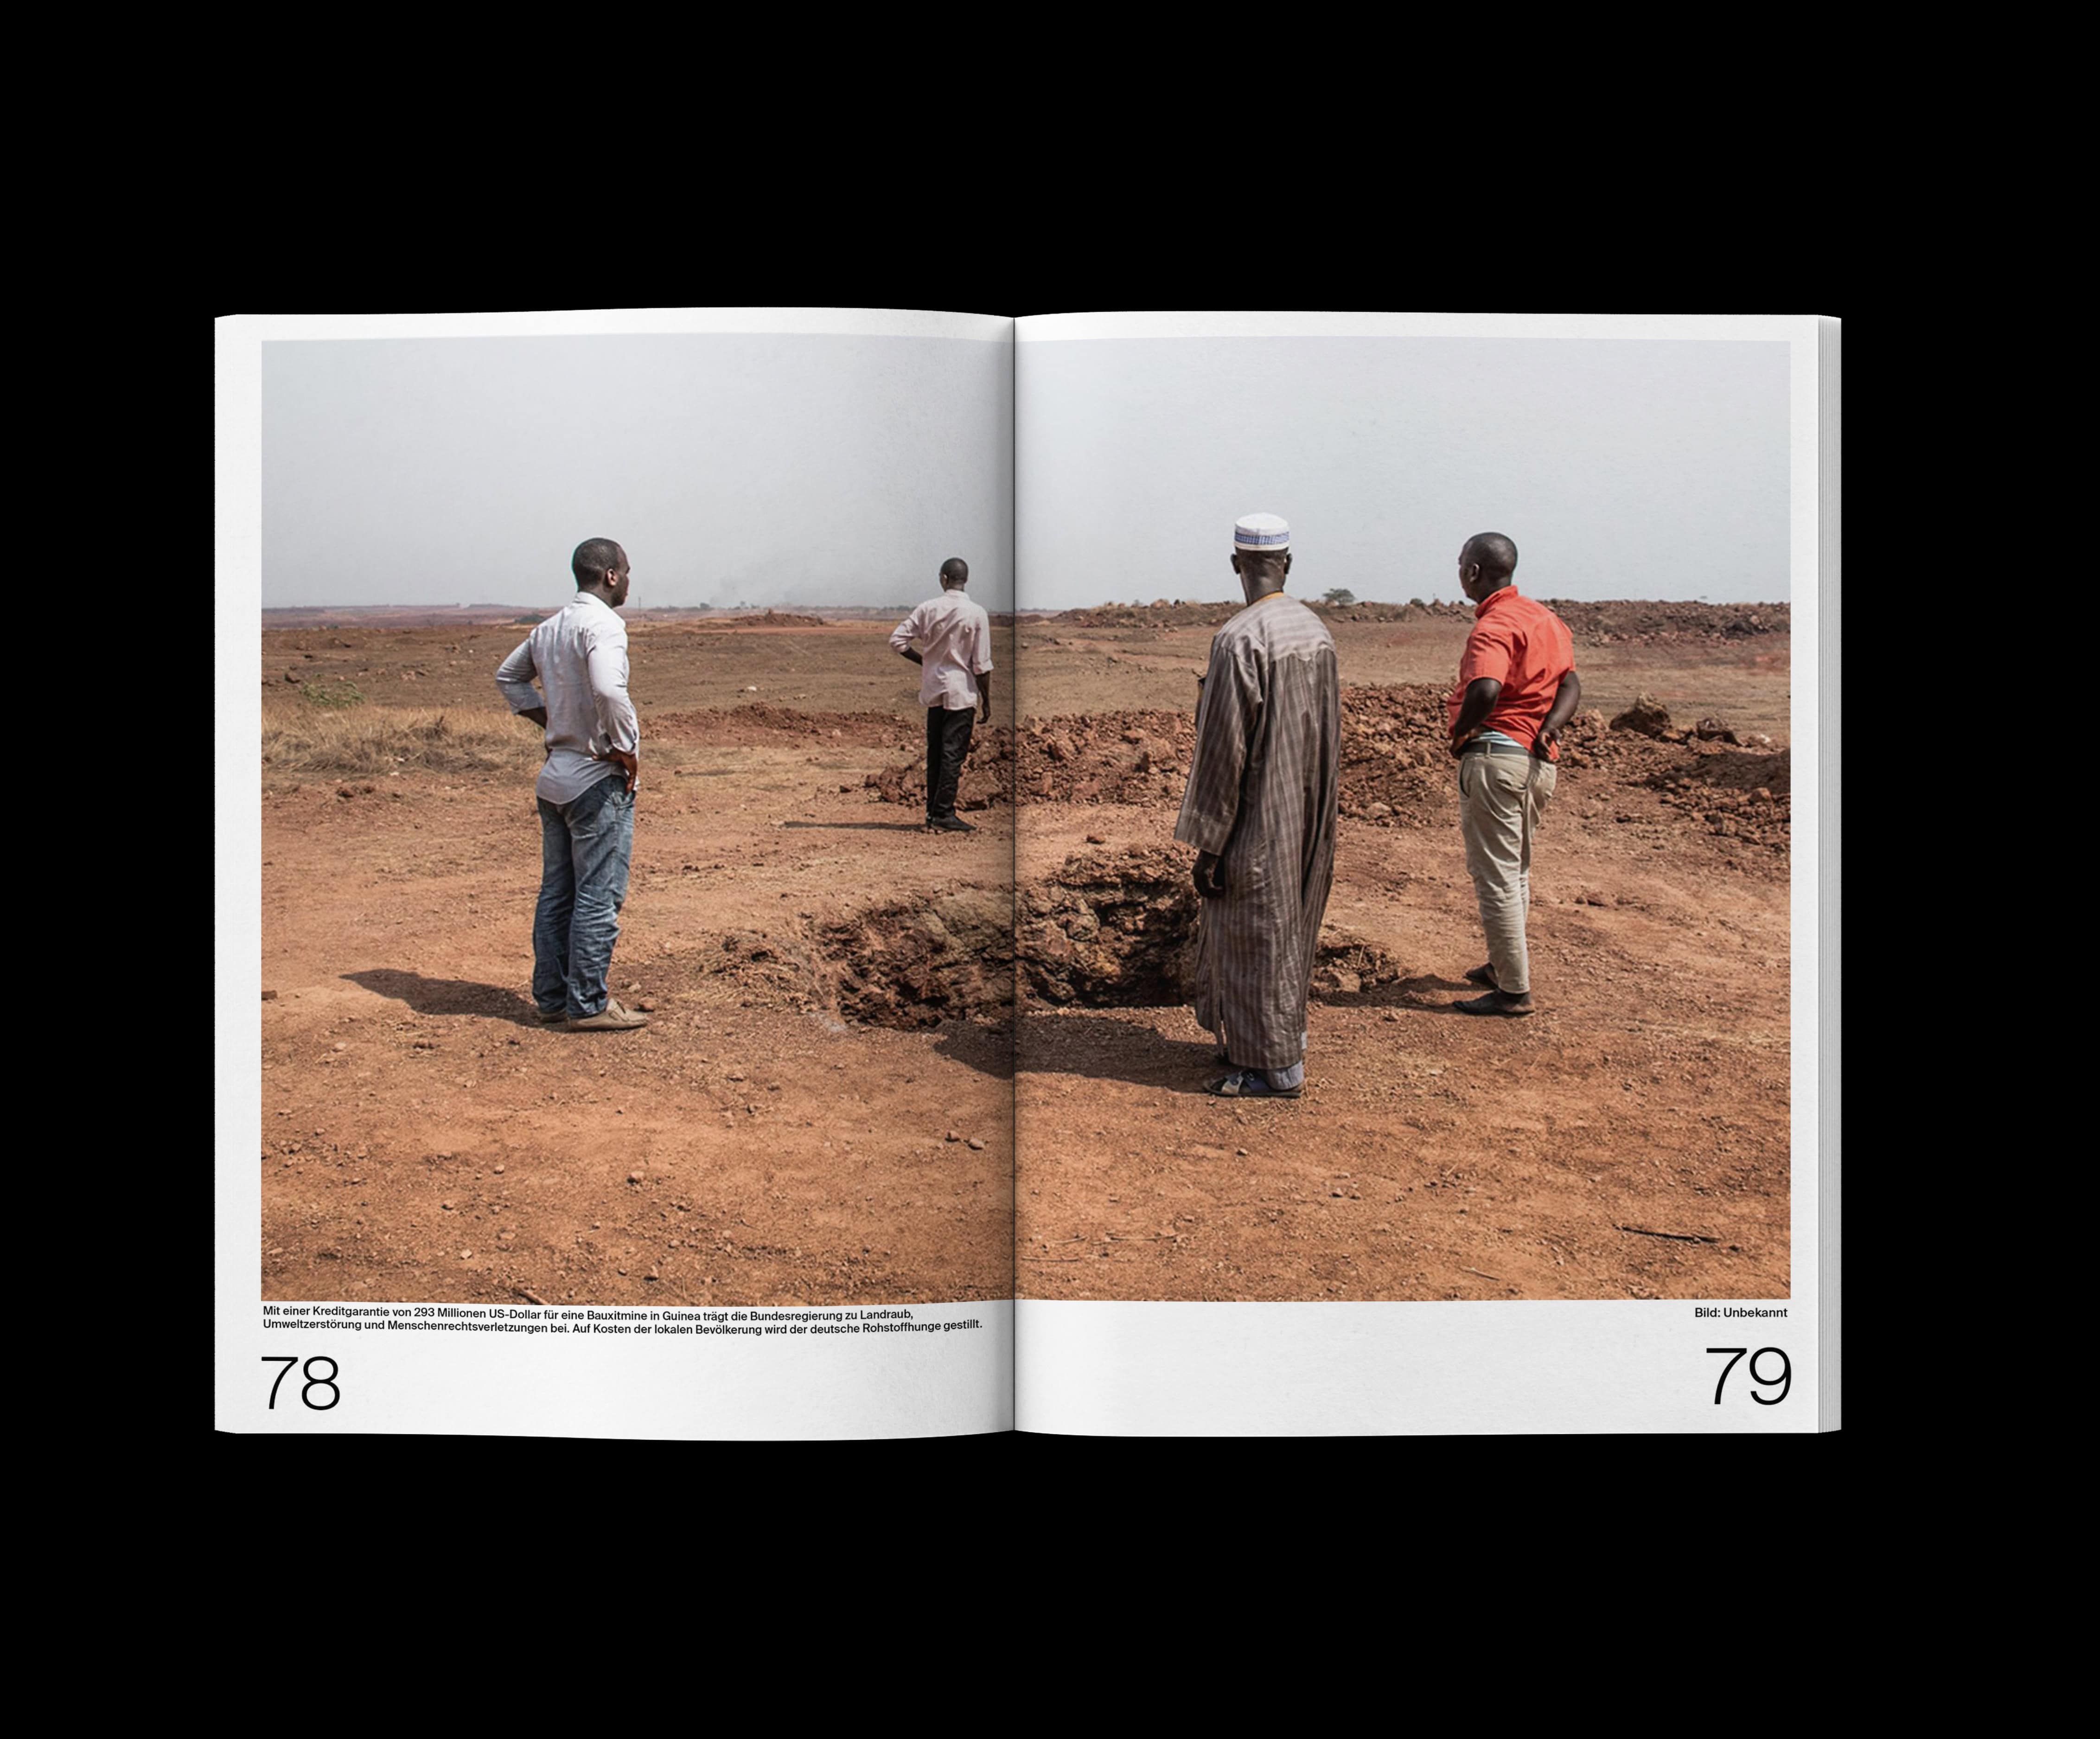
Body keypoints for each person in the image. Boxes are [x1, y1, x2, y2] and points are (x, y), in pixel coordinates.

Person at [1175, 514, 1340, 1098]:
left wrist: (1208, 844)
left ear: (1234, 563)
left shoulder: (1238, 638)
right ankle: (1273, 1045)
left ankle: (1271, 1068)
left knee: (1252, 934)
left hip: (1257, 817)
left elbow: (1222, 751)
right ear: (1288, 564)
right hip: (1307, 811)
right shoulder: (1314, 630)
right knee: (1287, 930)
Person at [495, 538, 648, 1032]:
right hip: (593, 780)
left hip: (554, 778)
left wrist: (550, 721)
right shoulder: (604, 626)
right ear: (609, 576)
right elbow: (607, 688)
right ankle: (588, 1004)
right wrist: (622, 747)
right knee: (598, 896)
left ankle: (552, 998)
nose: (628, 580)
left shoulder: (550, 628)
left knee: (557, 892)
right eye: (626, 572)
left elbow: (509, 678)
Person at [1444, 532, 1582, 1017]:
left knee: (1495, 874)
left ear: (1474, 572)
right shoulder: (1545, 619)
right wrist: (1548, 728)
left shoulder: (1494, 626)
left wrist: (1460, 734)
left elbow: (1484, 687)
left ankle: (1513, 991)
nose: (1458, 571)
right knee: (1516, 868)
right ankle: (1501, 964)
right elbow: (1570, 682)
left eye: (1461, 564)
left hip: (1496, 758)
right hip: (1536, 762)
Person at [890, 557, 994, 833]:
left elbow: (897, 641)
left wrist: (924, 661)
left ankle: (933, 813)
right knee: (953, 754)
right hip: (961, 693)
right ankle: (944, 814)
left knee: (936, 752)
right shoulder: (977, 613)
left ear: (944, 578)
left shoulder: (928, 609)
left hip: (934, 690)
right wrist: (987, 701)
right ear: (966, 580)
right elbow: (982, 666)